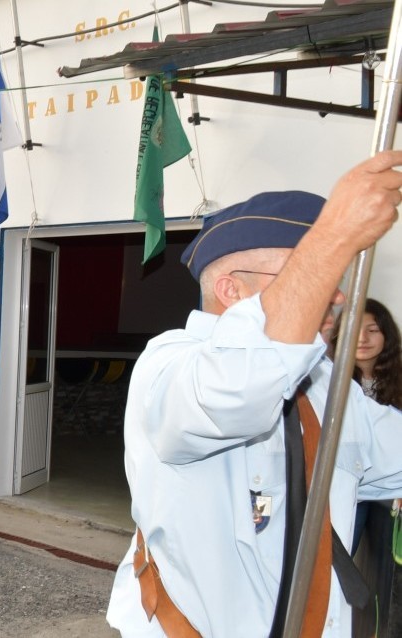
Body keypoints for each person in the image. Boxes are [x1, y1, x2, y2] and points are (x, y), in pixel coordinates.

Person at [102, 172, 402, 635]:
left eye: (332, 276)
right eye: (308, 272)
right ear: (231, 290)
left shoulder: (323, 383)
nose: (338, 295)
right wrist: (333, 236)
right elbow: (234, 392)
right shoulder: (171, 364)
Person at [345, 299, 402, 638]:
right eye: (355, 330)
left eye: (372, 329)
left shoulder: (399, 379)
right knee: (331, 568)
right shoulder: (327, 381)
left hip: (388, 497)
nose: (363, 339)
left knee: (386, 580)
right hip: (344, 489)